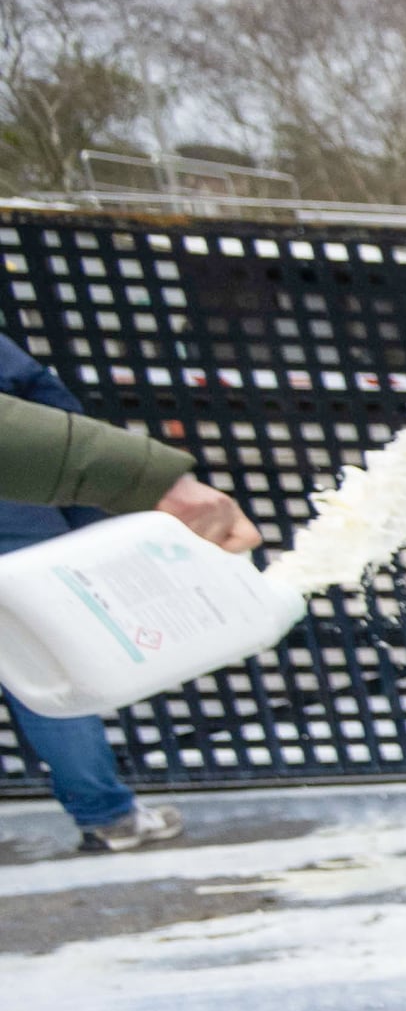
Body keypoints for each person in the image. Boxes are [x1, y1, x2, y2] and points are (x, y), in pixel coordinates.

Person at [3, 334, 264, 852]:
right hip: (17, 504)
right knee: (45, 666)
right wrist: (98, 499)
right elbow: (44, 395)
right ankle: (109, 815)